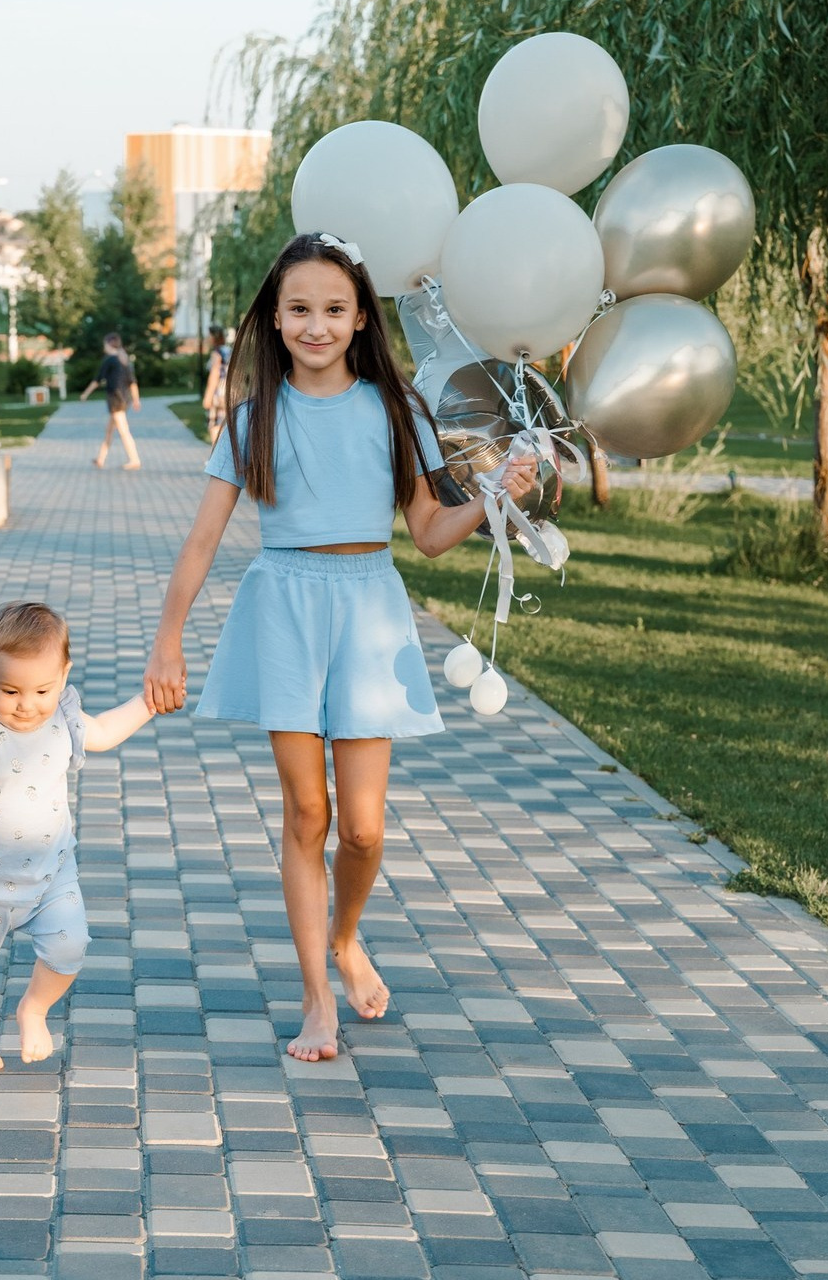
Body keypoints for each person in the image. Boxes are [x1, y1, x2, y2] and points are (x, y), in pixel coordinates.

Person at [142, 231, 537, 1063]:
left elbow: (428, 532)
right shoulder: (251, 420)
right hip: (283, 609)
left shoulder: (397, 411)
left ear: (360, 317)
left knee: (360, 828)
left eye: (332, 309)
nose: (315, 325)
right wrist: (167, 642)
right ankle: (316, 996)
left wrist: (494, 495)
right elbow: (202, 542)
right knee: (307, 813)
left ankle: (346, 936)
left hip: (368, 611)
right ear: (275, 319)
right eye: (299, 309)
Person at [0, 601, 155, 1071]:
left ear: (64, 675)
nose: (27, 704)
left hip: (50, 876)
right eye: (10, 690)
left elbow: (104, 732)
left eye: (42, 689)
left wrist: (149, 702)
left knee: (70, 946)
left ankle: (33, 1010)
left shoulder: (63, 718)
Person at [79, 333, 142, 470]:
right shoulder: (124, 359)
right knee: (109, 431)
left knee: (124, 431)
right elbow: (132, 382)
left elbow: (97, 380)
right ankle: (100, 458)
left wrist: (85, 394)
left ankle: (134, 459)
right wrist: (136, 400)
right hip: (124, 400)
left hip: (115, 400)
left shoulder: (109, 360)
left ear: (108, 344)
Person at [202, 324, 233, 446]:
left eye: (209, 336)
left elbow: (214, 374)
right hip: (230, 392)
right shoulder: (229, 350)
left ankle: (216, 454)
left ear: (214, 337)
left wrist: (208, 397)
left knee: (215, 427)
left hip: (218, 394)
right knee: (226, 426)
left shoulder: (217, 353)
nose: (207, 338)